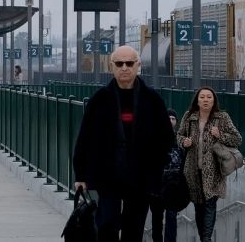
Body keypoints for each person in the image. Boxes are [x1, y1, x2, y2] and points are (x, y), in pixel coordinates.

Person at [72, 45, 173, 242]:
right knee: (107, 226)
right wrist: (80, 174)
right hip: (108, 176)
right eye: (119, 64)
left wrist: (161, 172)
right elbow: (85, 138)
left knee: (133, 230)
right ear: (112, 67)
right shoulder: (100, 99)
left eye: (129, 63)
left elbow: (166, 139)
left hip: (141, 178)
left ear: (138, 65)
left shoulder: (152, 100)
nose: (124, 68)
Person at [176, 87, 242, 242]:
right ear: (197, 101)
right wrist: (184, 142)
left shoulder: (222, 118)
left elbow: (237, 139)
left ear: (214, 101)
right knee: (199, 207)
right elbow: (179, 135)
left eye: (209, 97)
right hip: (192, 171)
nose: (205, 100)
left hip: (214, 172)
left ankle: (206, 239)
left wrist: (220, 135)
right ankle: (203, 237)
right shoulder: (189, 117)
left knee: (210, 204)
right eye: (202, 97)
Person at [148, 109, 183, 242]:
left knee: (171, 216)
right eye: (168, 118)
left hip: (173, 185)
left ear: (176, 122)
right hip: (157, 186)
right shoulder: (154, 139)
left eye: (173, 119)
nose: (170, 121)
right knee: (157, 218)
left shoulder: (180, 140)